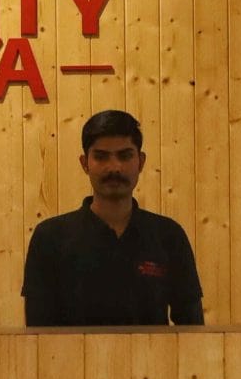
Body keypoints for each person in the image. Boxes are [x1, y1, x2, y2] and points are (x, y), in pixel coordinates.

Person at [22, 109, 205, 326]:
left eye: (125, 155)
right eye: (101, 156)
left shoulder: (169, 236)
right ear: (84, 163)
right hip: (68, 361)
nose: (114, 167)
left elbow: (193, 333)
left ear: (141, 161)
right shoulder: (51, 238)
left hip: (153, 361)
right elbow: (38, 337)